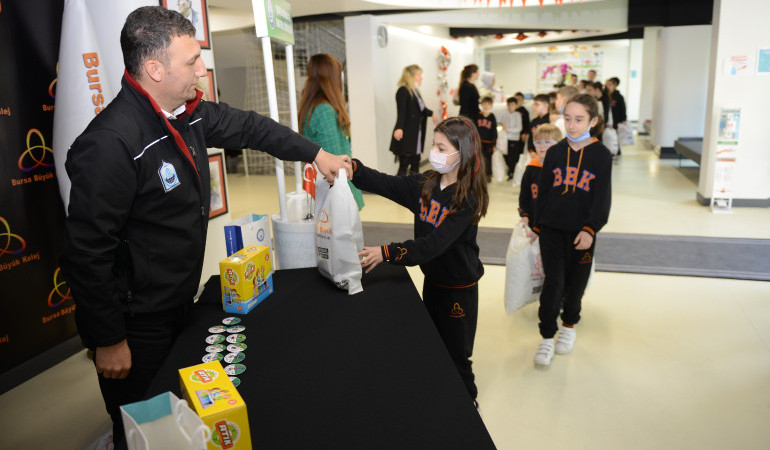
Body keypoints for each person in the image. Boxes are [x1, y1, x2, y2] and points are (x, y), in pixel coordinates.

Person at [59, 8, 351, 449]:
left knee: (180, 417)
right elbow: (86, 254)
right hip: (136, 322)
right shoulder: (110, 144)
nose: (202, 69)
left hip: (179, 300)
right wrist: (109, 339)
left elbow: (254, 129)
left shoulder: (187, 112)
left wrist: (315, 154)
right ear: (154, 69)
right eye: (192, 61)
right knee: (145, 426)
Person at [351, 117, 489, 407]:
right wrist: (354, 170)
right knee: (434, 340)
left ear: (461, 153)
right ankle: (439, 389)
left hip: (458, 287)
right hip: (434, 280)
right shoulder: (426, 183)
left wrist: (387, 252)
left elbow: (432, 246)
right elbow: (387, 183)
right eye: (433, 146)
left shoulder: (468, 199)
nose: (435, 152)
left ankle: (468, 400)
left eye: (441, 147)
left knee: (457, 350)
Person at [529, 94, 612, 366]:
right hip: (552, 230)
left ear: (594, 121)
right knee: (553, 283)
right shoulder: (554, 152)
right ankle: (546, 336)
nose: (572, 125)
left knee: (575, 285)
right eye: (567, 119)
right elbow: (542, 194)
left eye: (579, 120)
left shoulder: (601, 156)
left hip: (582, 234)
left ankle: (568, 327)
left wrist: (591, 229)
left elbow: (602, 198)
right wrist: (537, 225)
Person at [298, 54, 364, 209]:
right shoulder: (323, 110)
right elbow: (335, 160)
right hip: (336, 191)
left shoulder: (313, 106)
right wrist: (352, 197)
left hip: (328, 189)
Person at [389, 64, 434, 176]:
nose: (421, 77)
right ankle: (397, 191)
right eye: (419, 75)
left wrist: (433, 114)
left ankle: (414, 191)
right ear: (411, 76)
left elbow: (422, 110)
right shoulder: (403, 91)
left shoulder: (415, 92)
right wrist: (399, 128)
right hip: (407, 134)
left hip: (415, 135)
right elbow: (402, 112)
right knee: (404, 166)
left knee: (415, 164)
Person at [519, 124, 562, 225]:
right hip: (534, 220)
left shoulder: (562, 168)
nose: (542, 146)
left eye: (547, 142)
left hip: (557, 222)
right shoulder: (531, 168)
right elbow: (524, 196)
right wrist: (524, 215)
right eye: (538, 142)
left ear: (558, 144)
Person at [602, 77, 627, 157]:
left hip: (616, 120)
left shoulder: (619, 97)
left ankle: (616, 151)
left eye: (610, 85)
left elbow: (623, 109)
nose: (607, 86)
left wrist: (623, 119)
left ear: (615, 85)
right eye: (607, 84)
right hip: (607, 120)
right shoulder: (605, 96)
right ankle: (608, 150)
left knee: (615, 136)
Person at [476, 96, 497, 182]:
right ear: (481, 105)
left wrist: (494, 144)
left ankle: (488, 175)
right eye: (484, 104)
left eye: (488, 104)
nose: (486, 106)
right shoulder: (478, 115)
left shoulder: (492, 117)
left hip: (489, 142)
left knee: (488, 159)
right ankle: (479, 174)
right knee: (479, 158)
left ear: (491, 106)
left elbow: (494, 131)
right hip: (479, 141)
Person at [502, 96, 523, 180]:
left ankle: (512, 172)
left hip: (514, 139)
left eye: (513, 105)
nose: (510, 107)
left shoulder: (518, 115)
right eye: (509, 105)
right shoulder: (505, 114)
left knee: (512, 157)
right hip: (505, 139)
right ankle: (510, 170)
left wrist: (508, 130)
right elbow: (502, 125)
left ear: (516, 106)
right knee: (506, 155)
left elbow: (519, 128)